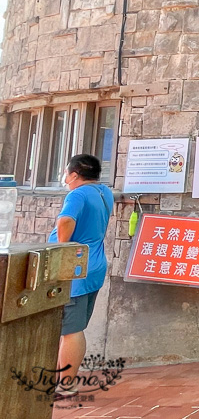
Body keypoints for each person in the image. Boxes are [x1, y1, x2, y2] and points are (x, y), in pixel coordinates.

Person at [48, 154, 114, 399]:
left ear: (74, 174)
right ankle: (66, 380)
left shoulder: (76, 194)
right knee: (76, 327)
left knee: (71, 329)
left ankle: (65, 385)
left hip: (75, 268)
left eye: (67, 174)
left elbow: (65, 221)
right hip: (94, 265)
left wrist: (62, 248)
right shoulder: (104, 192)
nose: (65, 179)